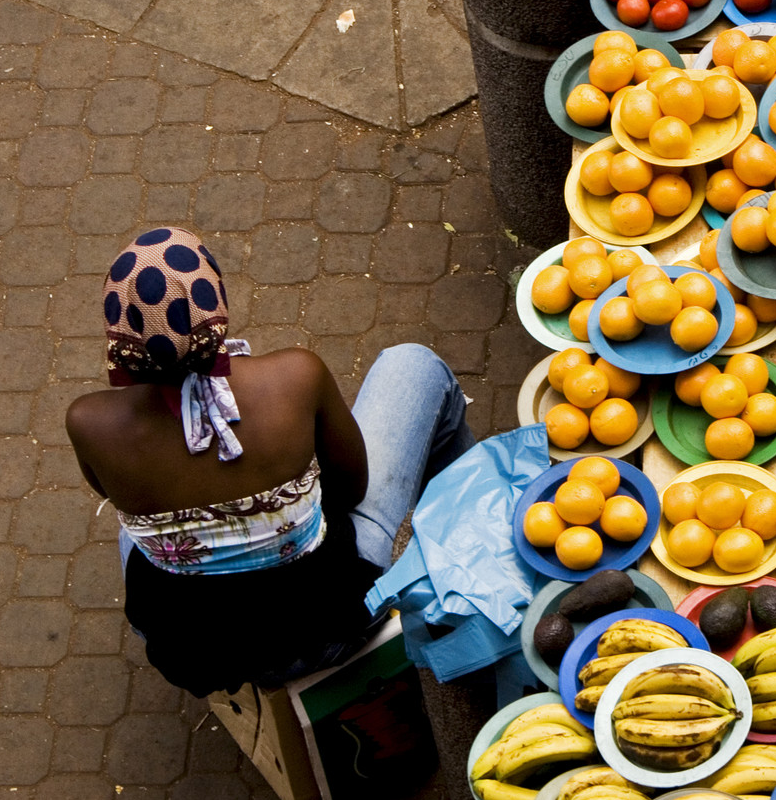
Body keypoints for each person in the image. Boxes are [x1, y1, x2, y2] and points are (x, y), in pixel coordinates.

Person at [66, 226, 473, 696]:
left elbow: (109, 492)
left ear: (120, 334)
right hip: (333, 628)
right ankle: (474, 538)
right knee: (415, 366)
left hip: (205, 655)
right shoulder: (295, 376)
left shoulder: (89, 422)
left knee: (132, 528)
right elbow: (350, 492)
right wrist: (279, 503)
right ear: (215, 306)